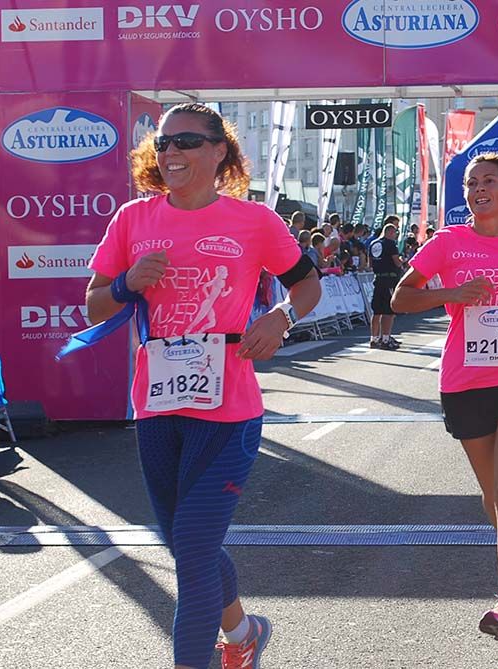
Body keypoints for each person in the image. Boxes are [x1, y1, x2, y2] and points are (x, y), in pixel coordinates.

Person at [84, 102, 320, 669]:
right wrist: (124, 285)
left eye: (187, 142)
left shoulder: (255, 221)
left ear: (220, 152)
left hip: (229, 412)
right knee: (192, 547)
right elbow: (93, 306)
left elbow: (307, 284)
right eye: (163, 145)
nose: (172, 153)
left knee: (190, 552)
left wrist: (280, 316)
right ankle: (243, 633)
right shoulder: (133, 219)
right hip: (158, 409)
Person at [391, 153, 498, 645]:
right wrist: (455, 293)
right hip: (465, 381)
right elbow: (401, 298)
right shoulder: (448, 241)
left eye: (489, 181)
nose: (478, 189)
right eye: (471, 183)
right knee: (492, 495)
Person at [368, 222, 403, 350]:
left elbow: (370, 263)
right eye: (395, 233)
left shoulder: (373, 243)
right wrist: (401, 261)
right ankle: (386, 339)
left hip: (378, 279)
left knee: (377, 310)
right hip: (389, 279)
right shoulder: (390, 244)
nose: (395, 236)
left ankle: (374, 338)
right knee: (388, 311)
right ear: (390, 232)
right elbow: (397, 262)